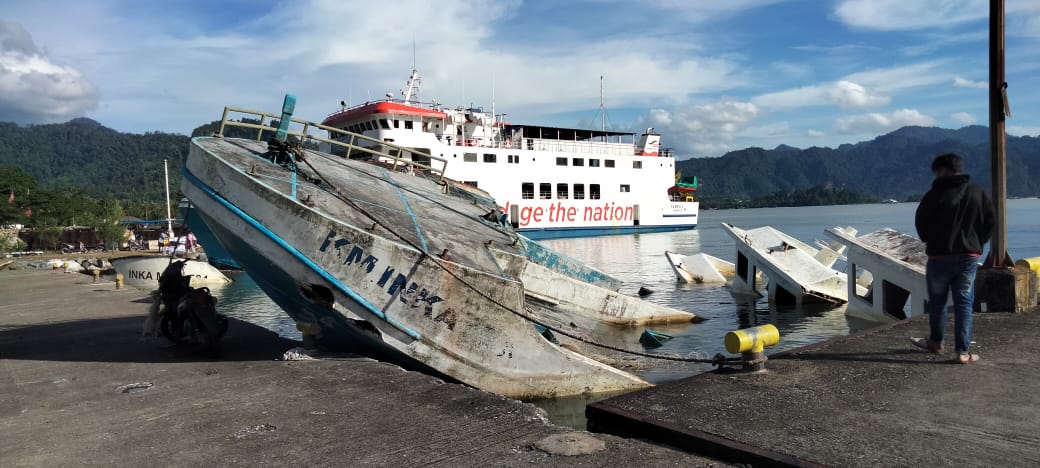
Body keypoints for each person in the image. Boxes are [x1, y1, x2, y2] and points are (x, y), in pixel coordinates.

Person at [911, 153, 995, 364]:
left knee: (937, 302)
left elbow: (921, 222)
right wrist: (977, 244)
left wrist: (931, 239)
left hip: (939, 256)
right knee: (964, 303)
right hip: (969, 256)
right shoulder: (977, 192)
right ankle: (962, 353)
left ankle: (936, 342)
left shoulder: (934, 194)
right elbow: (990, 221)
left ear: (941, 170)